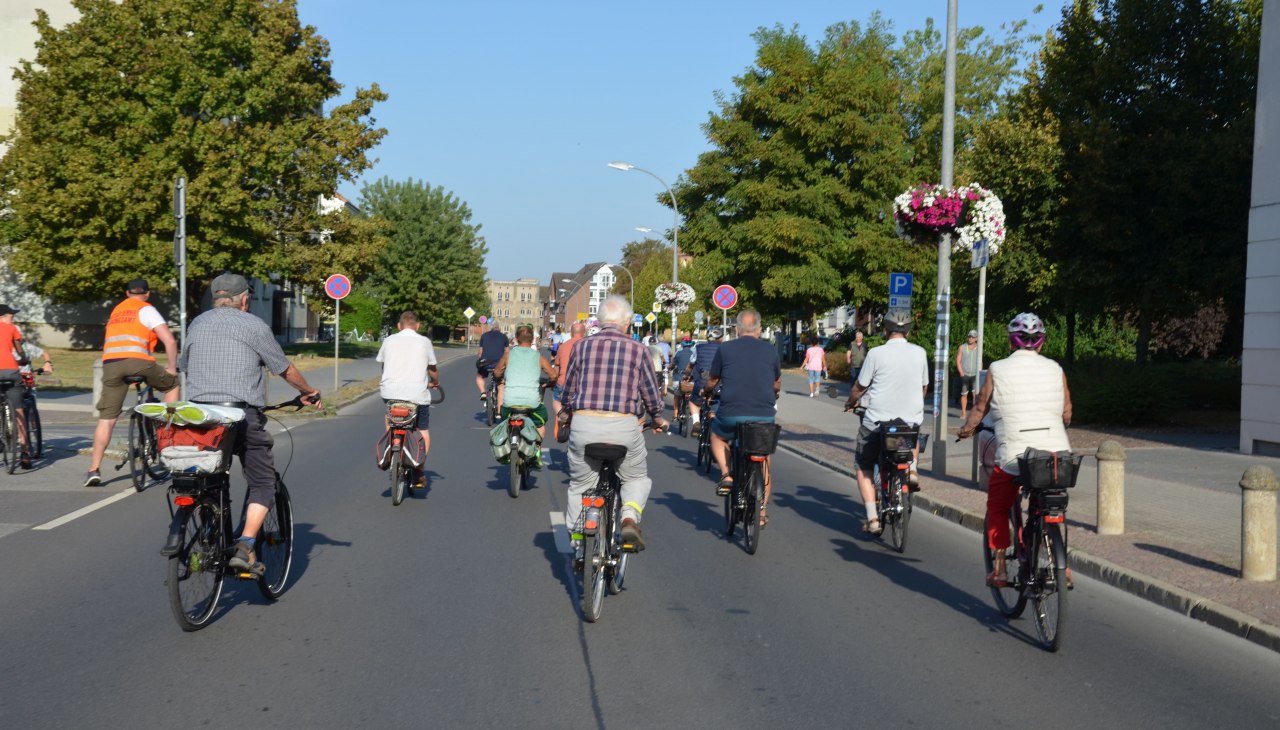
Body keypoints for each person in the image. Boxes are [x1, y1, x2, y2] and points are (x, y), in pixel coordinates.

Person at [182, 273, 322, 576]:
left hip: (200, 417)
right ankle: (245, 545)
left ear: (216, 299)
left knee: (208, 476)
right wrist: (308, 391)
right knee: (263, 481)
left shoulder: (196, 323)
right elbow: (284, 368)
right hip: (241, 415)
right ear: (244, 300)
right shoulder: (254, 325)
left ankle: (209, 532)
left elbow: (185, 365)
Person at [957, 312, 1073, 588]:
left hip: (1015, 457)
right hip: (1056, 456)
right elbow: (1067, 413)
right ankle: (1062, 567)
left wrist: (966, 430)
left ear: (1011, 342)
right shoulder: (1056, 369)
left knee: (997, 505)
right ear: (1041, 343)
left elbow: (980, 407)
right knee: (1049, 503)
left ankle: (999, 569)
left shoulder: (997, 369)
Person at [560, 295, 668, 558]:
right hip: (623, 426)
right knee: (635, 478)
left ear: (599, 321)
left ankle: (578, 545)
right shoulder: (639, 350)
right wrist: (657, 417)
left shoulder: (580, 347)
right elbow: (650, 393)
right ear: (627, 322)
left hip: (584, 423)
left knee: (580, 485)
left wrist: (566, 413)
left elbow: (568, 390)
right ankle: (629, 517)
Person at [84, 279, 181, 487]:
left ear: (127, 293)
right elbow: (170, 340)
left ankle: (94, 469)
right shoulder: (146, 309)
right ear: (147, 293)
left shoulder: (116, 311)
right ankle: (167, 436)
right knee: (172, 384)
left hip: (111, 365)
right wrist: (172, 368)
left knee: (107, 419)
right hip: (139, 363)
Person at [845, 312, 928, 535]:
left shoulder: (875, 353)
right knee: (912, 431)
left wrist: (851, 402)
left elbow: (860, 387)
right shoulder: (920, 353)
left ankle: (873, 518)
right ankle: (912, 469)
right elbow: (924, 387)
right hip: (908, 421)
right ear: (908, 331)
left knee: (863, 465)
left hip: (877, 421)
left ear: (885, 330)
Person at [705, 310, 781, 524]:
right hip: (763, 416)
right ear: (759, 329)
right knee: (764, 458)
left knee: (717, 436)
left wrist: (706, 391)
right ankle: (762, 511)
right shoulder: (770, 350)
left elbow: (713, 379)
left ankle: (726, 474)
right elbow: (777, 383)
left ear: (737, 329)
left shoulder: (725, 348)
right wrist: (773, 391)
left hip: (731, 413)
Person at [376, 311, 439, 487]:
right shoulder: (424, 342)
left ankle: (392, 444)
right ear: (418, 326)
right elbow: (432, 368)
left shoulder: (389, 340)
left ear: (399, 325)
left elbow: (383, 365)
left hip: (390, 392)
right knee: (423, 429)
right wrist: (435, 381)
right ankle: (419, 469)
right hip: (416, 395)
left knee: (390, 416)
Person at [494, 325, 558, 442]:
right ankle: (537, 448)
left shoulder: (508, 355)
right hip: (532, 402)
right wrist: (550, 383)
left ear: (516, 338)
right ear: (532, 339)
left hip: (510, 402)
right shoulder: (538, 356)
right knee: (540, 425)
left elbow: (497, 372)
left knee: (504, 419)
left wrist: (500, 379)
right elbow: (553, 375)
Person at [0, 304, 33, 468]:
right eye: (10, 315)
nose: (13, 318)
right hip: (11, 371)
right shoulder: (12, 328)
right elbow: (19, 349)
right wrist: (24, 359)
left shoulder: (11, 326)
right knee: (19, 411)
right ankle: (25, 454)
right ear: (2, 317)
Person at [686, 327, 723, 436]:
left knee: (693, 402)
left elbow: (691, 365)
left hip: (702, 382)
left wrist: (686, 375)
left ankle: (696, 422)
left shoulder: (698, 348)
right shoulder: (725, 349)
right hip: (720, 384)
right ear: (721, 338)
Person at [552, 321, 586, 434]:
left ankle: (563, 416)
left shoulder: (562, 347)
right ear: (584, 333)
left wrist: (553, 381)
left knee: (556, 400)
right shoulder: (588, 346)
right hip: (582, 385)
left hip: (563, 383)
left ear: (571, 333)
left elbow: (557, 367)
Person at [475, 321, 509, 405]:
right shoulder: (504, 337)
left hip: (486, 362)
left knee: (479, 377)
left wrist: (480, 359)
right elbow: (507, 352)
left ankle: (483, 392)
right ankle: (499, 408)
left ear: (491, 327)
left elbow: (480, 351)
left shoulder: (484, 335)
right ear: (499, 328)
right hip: (499, 364)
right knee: (501, 384)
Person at [956, 329, 981, 420]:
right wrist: (961, 373)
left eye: (972, 337)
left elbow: (980, 361)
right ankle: (964, 413)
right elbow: (958, 360)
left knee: (975, 394)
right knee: (964, 394)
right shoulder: (962, 347)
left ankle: (974, 414)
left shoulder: (979, 348)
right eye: (969, 336)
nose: (970, 338)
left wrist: (980, 372)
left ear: (976, 338)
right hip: (965, 374)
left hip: (975, 374)